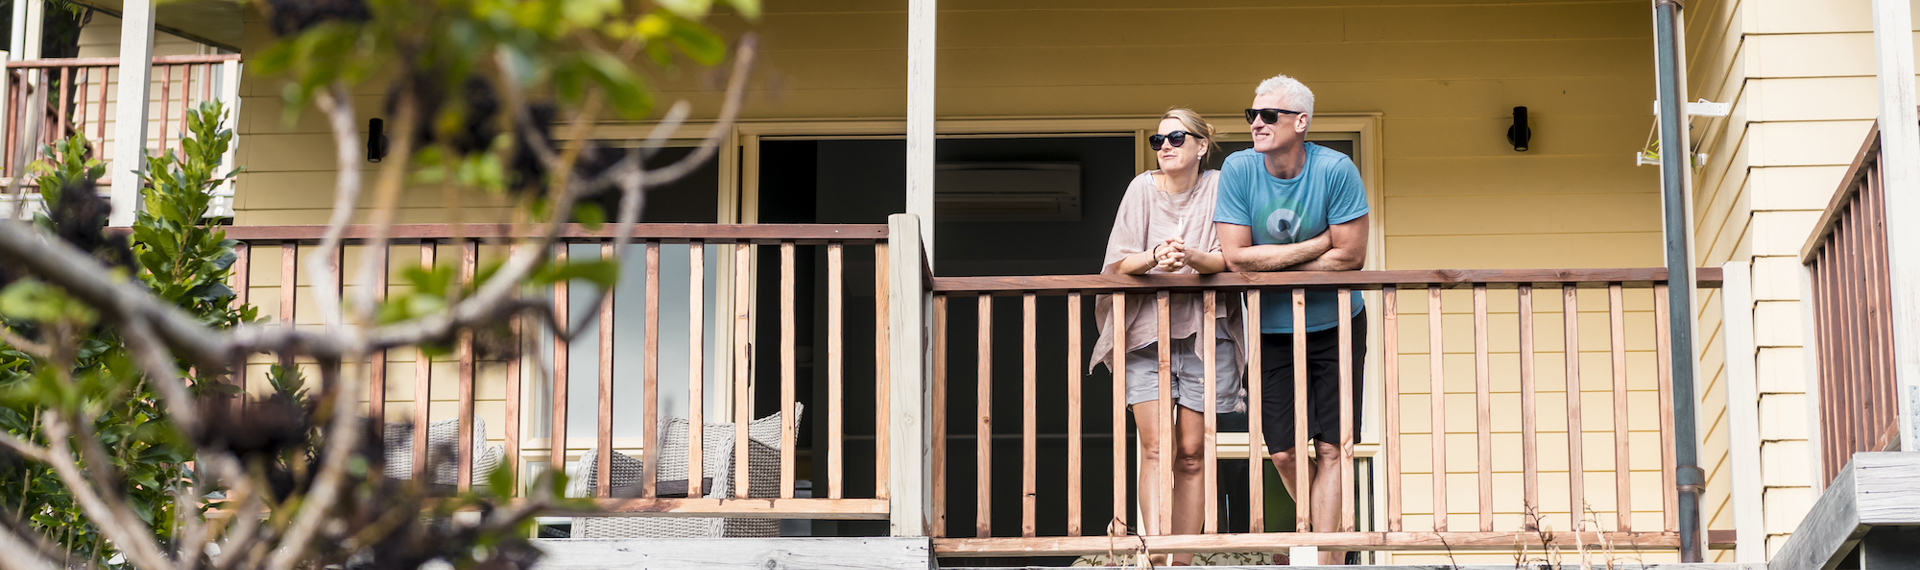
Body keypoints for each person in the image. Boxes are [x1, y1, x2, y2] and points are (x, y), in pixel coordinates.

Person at [1214, 74, 1369, 565]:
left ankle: (1328, 560)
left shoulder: (1336, 169)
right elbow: (1235, 257)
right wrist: (1318, 244)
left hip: (1338, 323)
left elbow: (1352, 258)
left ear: (1300, 122)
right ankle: (1335, 533)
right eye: (1251, 115)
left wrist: (1273, 259)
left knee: (1333, 447)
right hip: (1271, 328)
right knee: (1282, 450)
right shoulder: (1239, 169)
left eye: (1269, 115)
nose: (1256, 123)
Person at [1090, 108, 1246, 564]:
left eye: (1176, 138)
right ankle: (1157, 559)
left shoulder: (1220, 186)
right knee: (1156, 447)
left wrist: (1193, 257)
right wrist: (1157, 255)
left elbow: (1229, 259)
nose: (1166, 148)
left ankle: (1182, 559)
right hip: (1145, 334)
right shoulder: (1141, 188)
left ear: (1202, 145)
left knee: (1193, 453)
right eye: (1159, 141)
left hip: (1205, 331)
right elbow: (1118, 264)